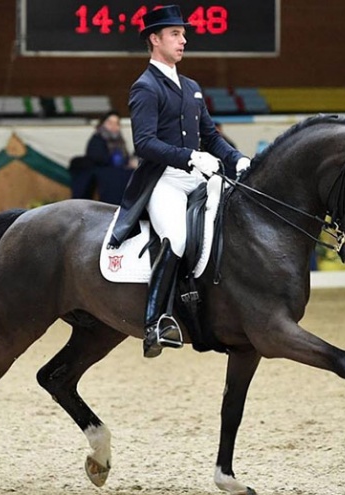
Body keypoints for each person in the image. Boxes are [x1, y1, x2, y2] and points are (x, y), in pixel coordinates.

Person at [107, 5, 251, 358]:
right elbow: (145, 144)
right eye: (175, 34)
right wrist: (188, 156)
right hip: (164, 181)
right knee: (176, 238)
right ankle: (155, 322)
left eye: (183, 34)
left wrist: (239, 158)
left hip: (199, 177)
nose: (183, 39)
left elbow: (211, 137)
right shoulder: (145, 87)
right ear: (154, 39)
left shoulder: (191, 87)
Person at [69, 110, 136, 205]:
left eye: (116, 123)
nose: (113, 126)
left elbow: (125, 157)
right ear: (103, 124)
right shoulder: (97, 139)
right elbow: (97, 157)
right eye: (110, 123)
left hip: (118, 171)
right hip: (103, 171)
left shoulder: (120, 141)